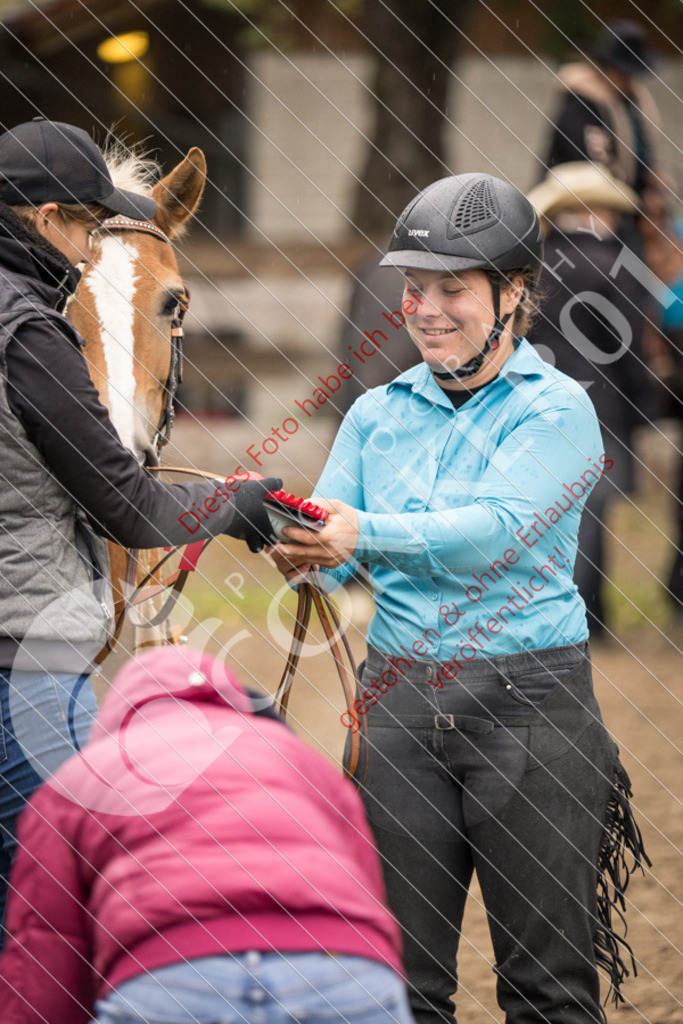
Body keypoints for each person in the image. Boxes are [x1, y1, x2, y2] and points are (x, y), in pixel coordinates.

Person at [272, 173, 648, 1024]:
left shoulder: (557, 411)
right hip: (398, 713)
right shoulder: (373, 415)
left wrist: (356, 533)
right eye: (414, 288)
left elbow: (500, 529)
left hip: (532, 712)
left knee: (545, 990)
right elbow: (329, 559)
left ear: (513, 294)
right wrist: (289, 540)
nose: (427, 308)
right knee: (397, 989)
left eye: (453, 289)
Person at [0, 118, 281, 936]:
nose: (90, 246)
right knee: (63, 914)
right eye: (87, 226)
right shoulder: (30, 331)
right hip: (28, 661)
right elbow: (129, 504)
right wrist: (240, 502)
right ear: (49, 221)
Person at [0, 645, 410, 1024]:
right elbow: (367, 888)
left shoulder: (78, 779)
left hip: (172, 979)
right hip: (343, 970)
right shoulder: (299, 758)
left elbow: (48, 947)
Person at [526, 161, 655, 636]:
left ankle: (543, 613)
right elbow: (631, 347)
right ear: (595, 211)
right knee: (589, 513)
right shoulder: (615, 266)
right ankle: (585, 619)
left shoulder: (534, 265)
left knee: (545, 510)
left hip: (539, 404)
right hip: (599, 409)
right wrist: (647, 407)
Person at [543, 20, 661, 203]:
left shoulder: (631, 104)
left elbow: (642, 155)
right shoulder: (582, 104)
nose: (628, 81)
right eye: (622, 73)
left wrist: (651, 182)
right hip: (579, 205)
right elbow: (589, 168)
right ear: (604, 68)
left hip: (624, 202)